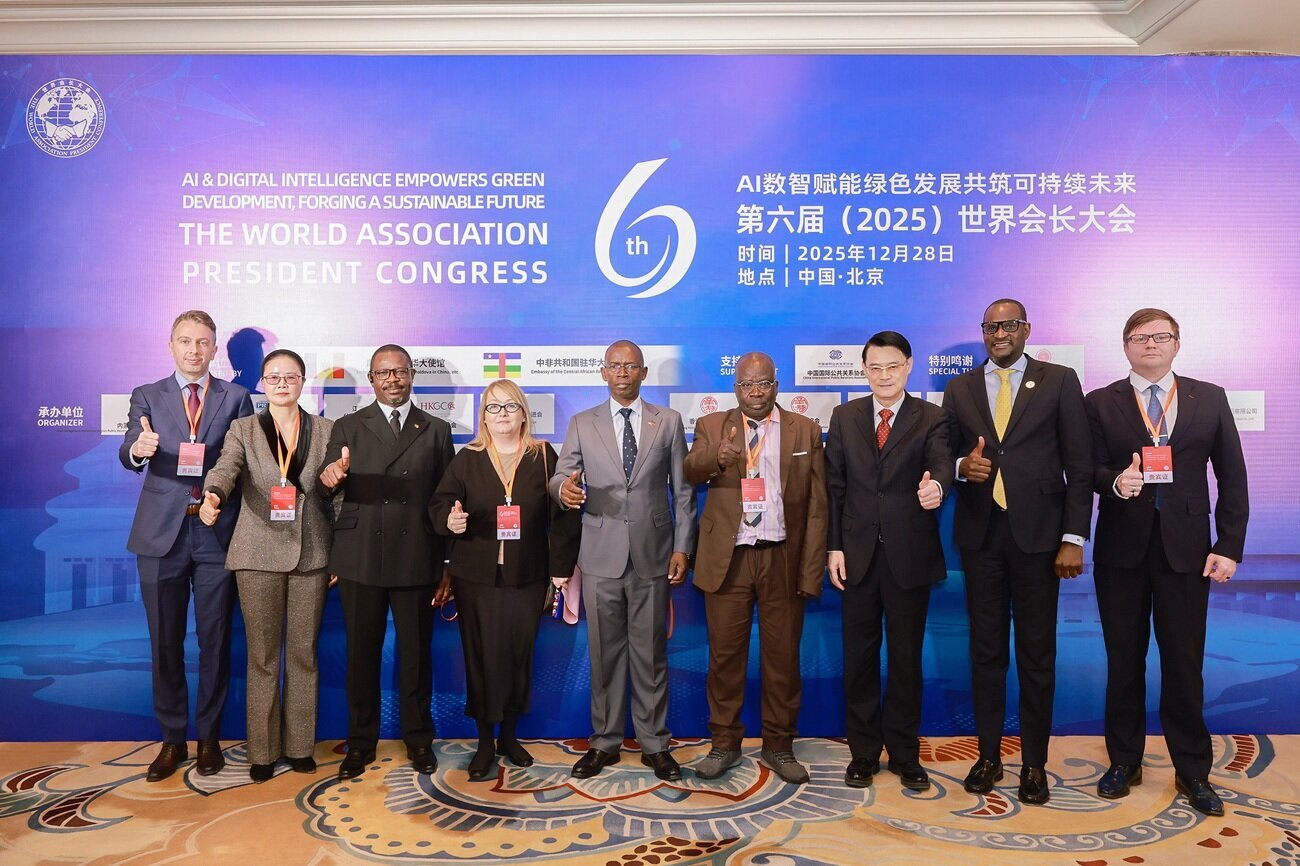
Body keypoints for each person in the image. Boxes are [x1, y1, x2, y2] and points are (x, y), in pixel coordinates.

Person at [1085, 308, 1248, 817]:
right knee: (1123, 661)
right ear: (1125, 346)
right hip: (1121, 550)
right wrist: (1116, 481)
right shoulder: (1100, 401)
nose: (1150, 344)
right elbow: (1086, 468)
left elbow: (1233, 475)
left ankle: (1193, 771)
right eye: (1139, 337)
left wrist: (1229, 545)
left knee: (1183, 663)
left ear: (1177, 343)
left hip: (1188, 552)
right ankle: (1124, 762)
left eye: (1161, 336)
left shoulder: (1210, 397)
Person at [942, 298, 1092, 805]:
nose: (999, 333)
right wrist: (961, 468)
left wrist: (1073, 537)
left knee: (1036, 654)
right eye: (990, 327)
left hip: (1041, 539)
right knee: (985, 653)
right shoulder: (960, 387)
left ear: (1026, 329)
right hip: (982, 537)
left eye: (1008, 325)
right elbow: (944, 452)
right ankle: (988, 756)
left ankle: (1033, 764)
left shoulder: (1060, 380)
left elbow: (1079, 465)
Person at [550, 340, 696, 781]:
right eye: (614, 366)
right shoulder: (582, 422)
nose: (622, 373)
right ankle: (604, 743)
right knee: (604, 655)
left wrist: (682, 548)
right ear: (603, 372)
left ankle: (655, 745)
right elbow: (560, 476)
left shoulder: (668, 421)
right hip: (599, 555)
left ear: (643, 372)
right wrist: (563, 490)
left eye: (630, 366)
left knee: (650, 655)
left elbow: (682, 491)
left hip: (653, 554)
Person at [119, 310, 254, 782]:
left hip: (216, 531)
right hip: (161, 534)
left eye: (202, 342)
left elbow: (243, 461)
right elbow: (129, 447)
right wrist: (137, 450)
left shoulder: (236, 398)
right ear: (171, 346)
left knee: (215, 641)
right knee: (165, 641)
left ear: (214, 349)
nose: (194, 350)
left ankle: (209, 739)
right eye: (185, 341)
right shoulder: (147, 395)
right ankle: (172, 739)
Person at [683, 352, 826, 785]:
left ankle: (779, 746)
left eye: (764, 383)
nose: (756, 392)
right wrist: (718, 457)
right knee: (725, 658)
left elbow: (817, 506)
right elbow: (689, 471)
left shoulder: (805, 429)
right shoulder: (713, 425)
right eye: (747, 384)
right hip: (730, 559)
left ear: (776, 386)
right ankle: (724, 743)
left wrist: (810, 570)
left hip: (782, 556)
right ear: (736, 388)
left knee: (783, 658)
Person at [431, 380, 580, 781]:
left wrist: (561, 567)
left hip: (527, 575)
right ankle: (484, 741)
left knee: (518, 655)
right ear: (483, 416)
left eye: (510, 406)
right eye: (493, 407)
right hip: (475, 576)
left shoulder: (543, 456)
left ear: (524, 413)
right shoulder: (467, 458)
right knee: (480, 657)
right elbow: (440, 504)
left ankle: (509, 737)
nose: (502, 414)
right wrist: (449, 519)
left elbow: (563, 516)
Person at [318, 344, 455, 779]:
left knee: (416, 656)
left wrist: (446, 564)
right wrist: (329, 478)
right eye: (383, 373)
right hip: (360, 555)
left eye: (399, 372)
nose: (392, 379)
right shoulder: (348, 426)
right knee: (361, 656)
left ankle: (419, 740)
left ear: (411, 375)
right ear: (372, 380)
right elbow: (325, 486)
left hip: (417, 556)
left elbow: (447, 500)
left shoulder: (436, 429)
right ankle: (360, 743)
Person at [200, 349, 334, 783]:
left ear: (302, 382)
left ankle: (299, 747)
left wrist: (341, 550)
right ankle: (262, 751)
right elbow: (225, 468)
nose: (281, 384)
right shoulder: (243, 429)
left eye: (290, 376)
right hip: (256, 554)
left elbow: (338, 492)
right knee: (262, 657)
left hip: (311, 553)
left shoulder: (327, 430)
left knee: (303, 655)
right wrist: (214, 494)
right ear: (262, 383)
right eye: (273, 377)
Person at [826, 331, 952, 791]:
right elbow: (834, 487)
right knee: (859, 659)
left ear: (909, 366)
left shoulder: (932, 416)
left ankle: (904, 753)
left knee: (905, 660)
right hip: (856, 556)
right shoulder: (845, 417)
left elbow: (942, 463)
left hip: (908, 556)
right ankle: (863, 753)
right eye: (875, 368)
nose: (884, 376)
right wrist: (834, 546)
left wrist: (937, 486)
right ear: (863, 370)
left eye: (892, 367)